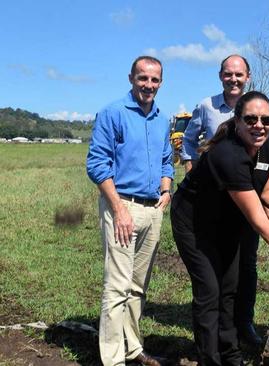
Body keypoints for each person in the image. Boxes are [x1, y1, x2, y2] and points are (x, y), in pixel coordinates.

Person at [170, 91, 269, 366]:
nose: (259, 125)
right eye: (250, 119)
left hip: (227, 222)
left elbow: (265, 186)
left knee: (229, 288)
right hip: (194, 223)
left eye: (265, 119)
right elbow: (257, 218)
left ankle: (230, 354)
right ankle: (209, 359)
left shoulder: (265, 146)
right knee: (209, 291)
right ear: (237, 121)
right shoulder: (228, 155)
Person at [86, 55, 173, 366]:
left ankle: (133, 349)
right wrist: (118, 208)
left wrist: (166, 189)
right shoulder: (113, 113)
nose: (148, 85)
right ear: (131, 78)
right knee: (117, 287)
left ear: (161, 82)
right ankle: (112, 360)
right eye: (142, 78)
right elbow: (97, 165)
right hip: (121, 206)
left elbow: (167, 159)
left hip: (152, 210)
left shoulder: (163, 119)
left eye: (154, 80)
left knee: (138, 287)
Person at [180, 54, 264, 345]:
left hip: (246, 198)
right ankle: (217, 325)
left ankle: (245, 323)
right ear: (220, 76)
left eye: (239, 75)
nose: (234, 79)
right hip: (213, 204)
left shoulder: (257, 109)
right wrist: (191, 165)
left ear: (248, 77)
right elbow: (189, 138)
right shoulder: (206, 106)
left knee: (247, 266)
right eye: (228, 74)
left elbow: (266, 151)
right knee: (220, 268)